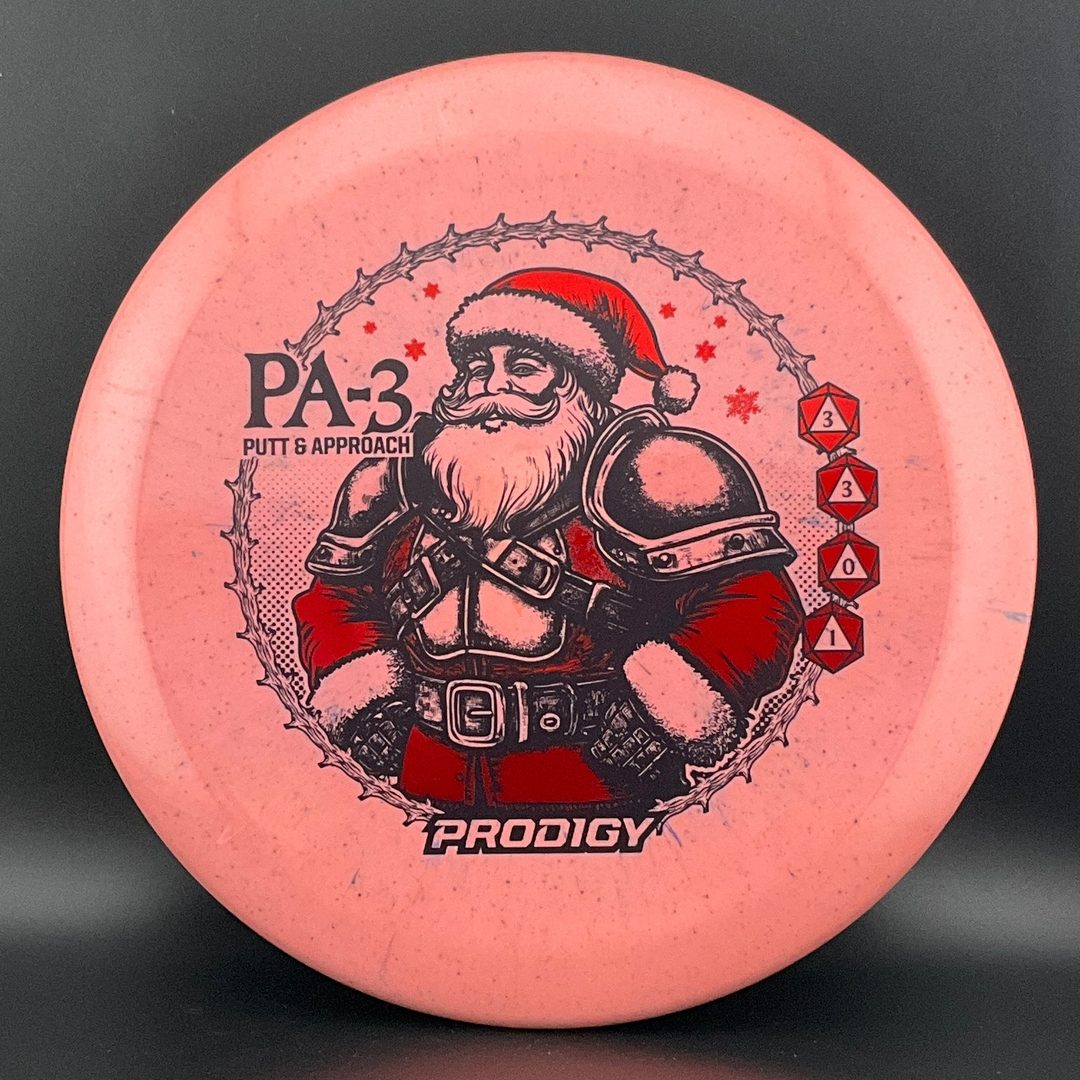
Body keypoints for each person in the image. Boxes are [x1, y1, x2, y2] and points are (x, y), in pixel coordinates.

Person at [293, 268, 803, 813]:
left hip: (599, 783)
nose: (491, 387)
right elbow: (335, 600)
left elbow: (755, 603)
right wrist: (365, 698)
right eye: (477, 368)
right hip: (425, 777)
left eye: (523, 368)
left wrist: (660, 714)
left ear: (578, 385)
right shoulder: (396, 484)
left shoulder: (653, 475)